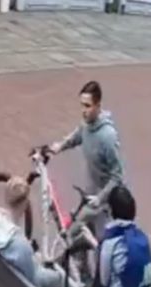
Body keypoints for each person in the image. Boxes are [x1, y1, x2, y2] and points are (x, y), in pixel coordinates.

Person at [49, 81, 125, 228]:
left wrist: (100, 198)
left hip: (104, 203)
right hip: (90, 194)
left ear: (98, 106)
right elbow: (78, 135)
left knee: (86, 235)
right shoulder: (86, 124)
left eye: (88, 106)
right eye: (82, 105)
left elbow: (117, 176)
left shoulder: (108, 136)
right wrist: (59, 147)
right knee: (79, 233)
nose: (83, 111)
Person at [0, 177, 62, 287]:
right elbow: (34, 283)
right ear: (25, 203)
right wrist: (56, 276)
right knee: (58, 278)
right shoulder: (21, 245)